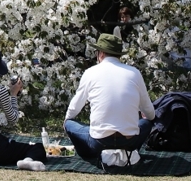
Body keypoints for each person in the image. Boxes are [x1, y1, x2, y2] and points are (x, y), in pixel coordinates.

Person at [64, 34, 155, 167]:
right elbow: (150, 112)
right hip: (130, 140)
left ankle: (89, 154)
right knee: (147, 123)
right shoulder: (134, 73)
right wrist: (147, 117)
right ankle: (129, 152)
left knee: (70, 124)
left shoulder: (90, 72)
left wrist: (66, 120)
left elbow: (75, 106)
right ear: (118, 54)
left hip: (99, 141)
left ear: (100, 53)